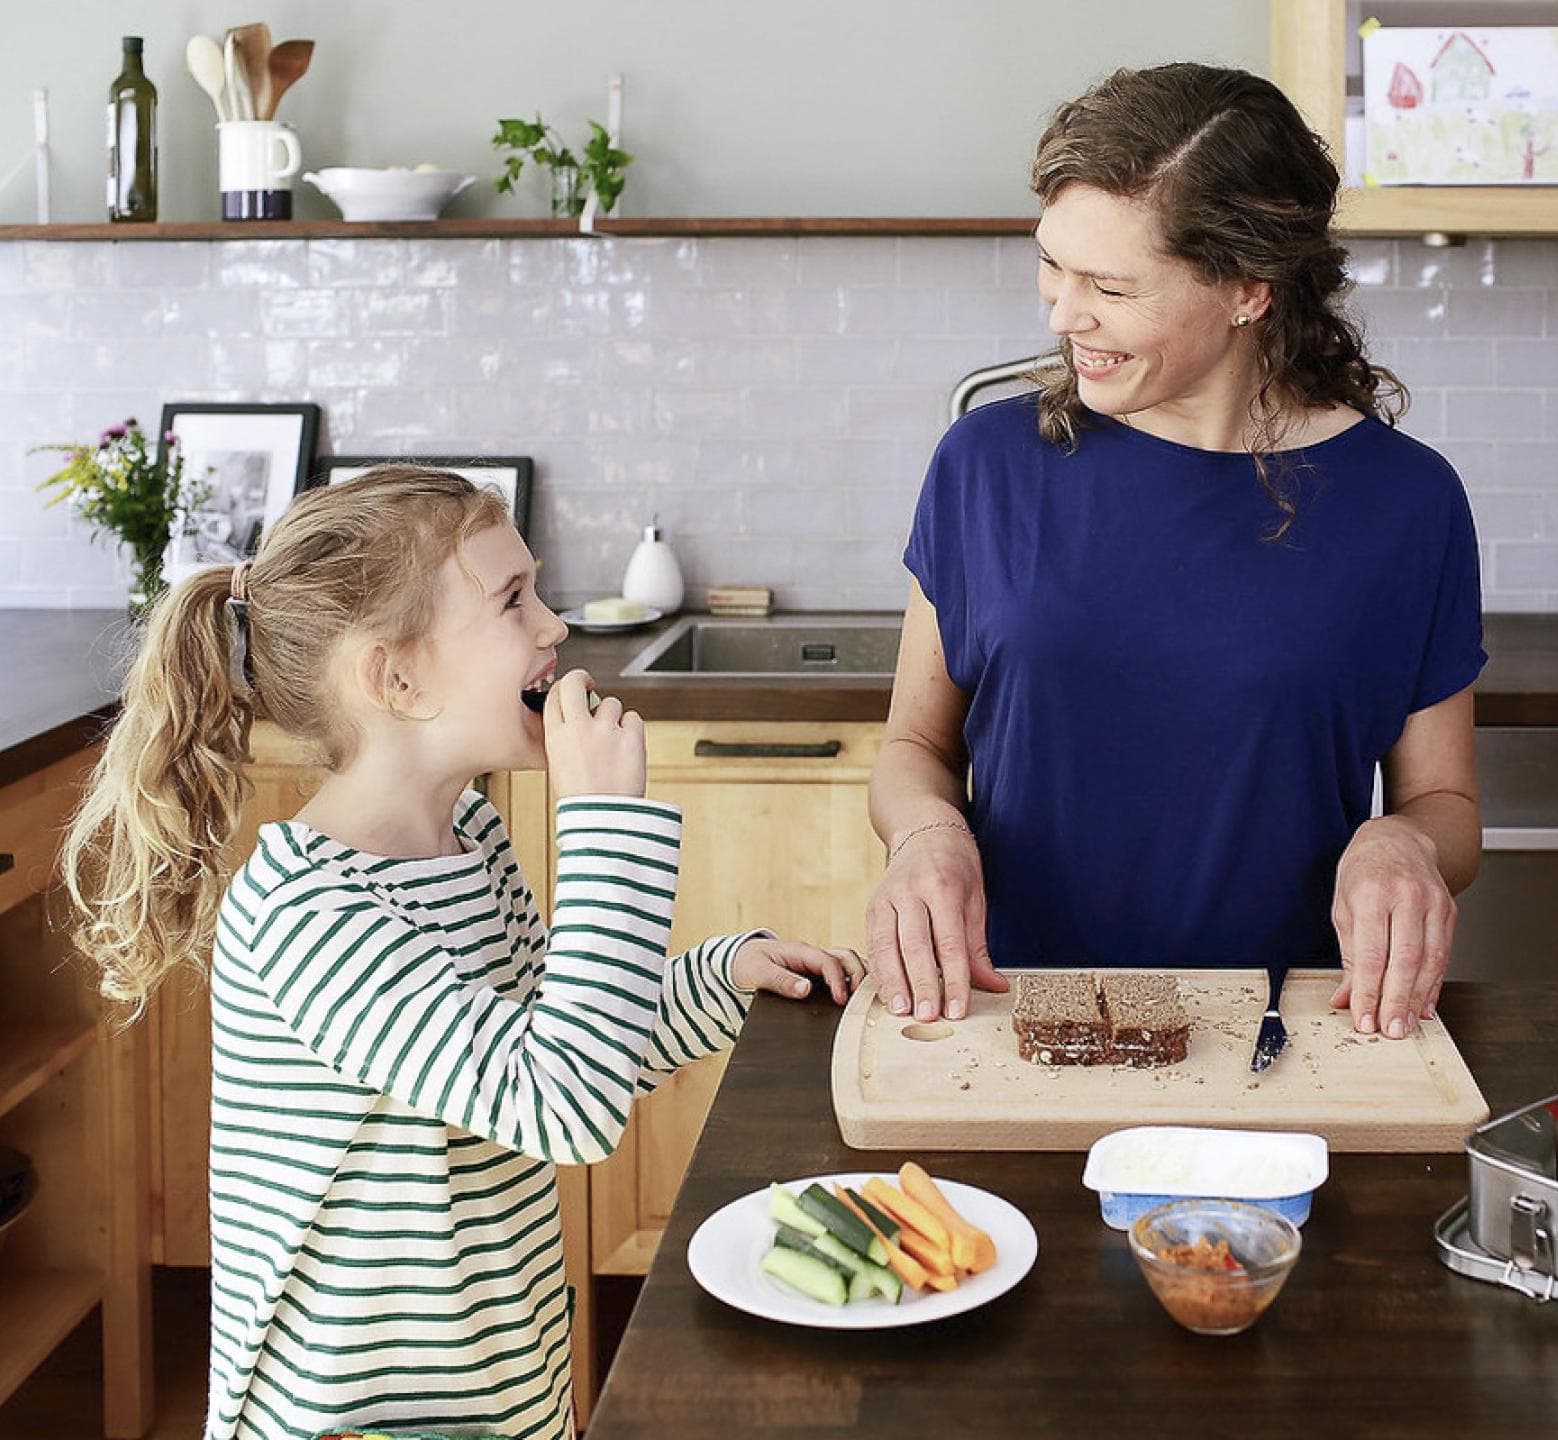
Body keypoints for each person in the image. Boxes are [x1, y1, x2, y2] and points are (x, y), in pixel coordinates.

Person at [59, 467, 864, 1440]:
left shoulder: (470, 840)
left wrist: (718, 976)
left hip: (502, 1389)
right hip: (362, 1421)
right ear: (396, 678)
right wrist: (606, 825)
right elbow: (562, 1106)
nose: (555, 627)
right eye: (514, 601)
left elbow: (559, 1041)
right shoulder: (309, 910)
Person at [866, 63, 1484, 1043]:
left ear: (1247, 289)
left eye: (1110, 286)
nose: (1064, 315)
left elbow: (1444, 801)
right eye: (1051, 266)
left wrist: (1403, 843)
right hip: (1008, 1023)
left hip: (1289, 1038)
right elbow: (915, 748)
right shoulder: (984, 465)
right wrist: (927, 831)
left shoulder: (1408, 503)